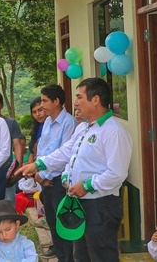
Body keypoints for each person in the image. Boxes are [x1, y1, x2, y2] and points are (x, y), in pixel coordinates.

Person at [63, 77, 132, 262]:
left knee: (101, 256)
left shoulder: (113, 131)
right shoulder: (83, 128)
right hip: (79, 203)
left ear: (95, 100)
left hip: (100, 206)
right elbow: (71, 156)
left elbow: (117, 173)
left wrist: (86, 185)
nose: (75, 102)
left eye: (79, 97)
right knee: (81, 256)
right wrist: (66, 176)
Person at [25, 84, 77, 261]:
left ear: (56, 101)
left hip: (58, 182)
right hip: (45, 180)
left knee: (64, 226)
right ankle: (61, 257)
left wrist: (43, 173)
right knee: (53, 224)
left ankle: (67, 258)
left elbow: (64, 155)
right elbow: (43, 150)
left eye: (45, 100)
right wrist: (39, 176)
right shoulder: (47, 121)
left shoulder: (69, 123)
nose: (42, 104)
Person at [0, 90, 25, 204]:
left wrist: (18, 166)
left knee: (8, 203)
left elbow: (17, 144)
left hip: (6, 169)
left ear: (1, 105)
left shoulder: (10, 122)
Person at [26, 97, 46, 164]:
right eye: (34, 112)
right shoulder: (37, 127)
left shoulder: (52, 125)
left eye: (40, 110)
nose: (37, 114)